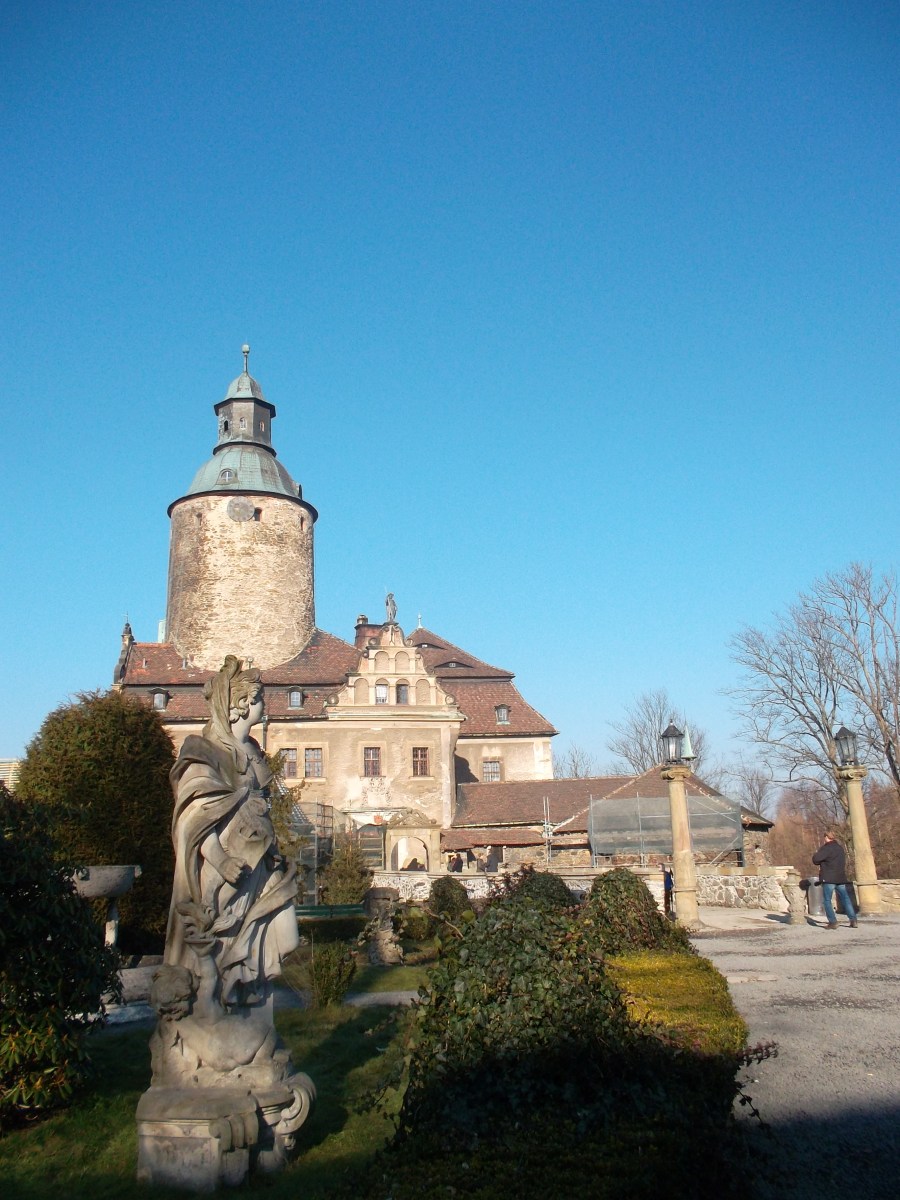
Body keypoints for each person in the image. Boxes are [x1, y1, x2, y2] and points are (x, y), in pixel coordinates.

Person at [165, 656, 300, 1006]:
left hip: (262, 862)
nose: (265, 705)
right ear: (241, 704)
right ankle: (225, 1011)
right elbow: (193, 821)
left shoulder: (252, 751)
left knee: (287, 938)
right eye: (260, 698)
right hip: (226, 868)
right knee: (220, 945)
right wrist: (221, 860)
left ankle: (247, 995)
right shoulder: (204, 753)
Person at [812, 830, 858, 929]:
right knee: (846, 899)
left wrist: (817, 854)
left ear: (826, 837)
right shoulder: (840, 848)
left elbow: (816, 859)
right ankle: (853, 920)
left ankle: (833, 922)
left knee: (827, 900)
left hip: (829, 878)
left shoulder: (826, 848)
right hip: (840, 877)